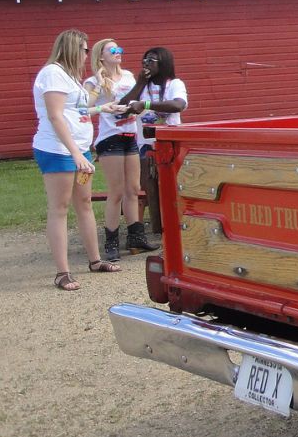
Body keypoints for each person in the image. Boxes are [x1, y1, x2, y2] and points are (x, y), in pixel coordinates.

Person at [32, 29, 122, 290]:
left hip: (78, 148)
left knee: (83, 202)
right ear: (72, 49)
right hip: (57, 149)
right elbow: (55, 115)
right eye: (84, 50)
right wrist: (74, 153)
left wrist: (101, 108)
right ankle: (62, 272)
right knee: (59, 208)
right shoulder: (52, 74)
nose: (86, 54)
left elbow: (77, 110)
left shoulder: (71, 78)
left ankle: (95, 260)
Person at [84, 38, 156, 260]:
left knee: (133, 188)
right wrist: (97, 82)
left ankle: (136, 236)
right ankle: (111, 240)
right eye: (112, 50)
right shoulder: (93, 81)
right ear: (101, 56)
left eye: (119, 49)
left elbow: (137, 100)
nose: (118, 52)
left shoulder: (127, 77)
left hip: (130, 135)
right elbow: (85, 106)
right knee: (115, 191)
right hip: (110, 137)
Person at [122, 47, 188, 235]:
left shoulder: (174, 83)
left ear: (164, 63)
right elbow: (123, 106)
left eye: (151, 60)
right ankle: (155, 229)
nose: (146, 64)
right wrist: (140, 83)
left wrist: (147, 105)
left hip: (171, 144)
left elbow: (178, 105)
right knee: (147, 187)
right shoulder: (142, 86)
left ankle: (177, 224)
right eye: (144, 60)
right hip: (145, 145)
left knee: (174, 186)